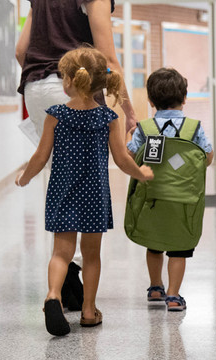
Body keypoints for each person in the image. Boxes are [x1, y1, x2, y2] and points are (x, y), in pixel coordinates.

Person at [15, 0, 138, 310]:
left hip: (37, 87)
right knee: (88, 177)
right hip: (77, 85)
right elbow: (107, 57)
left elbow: (21, 50)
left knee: (60, 172)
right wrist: (128, 108)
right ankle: (73, 280)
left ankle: (62, 272)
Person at [15, 47, 154, 336]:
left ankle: (54, 295)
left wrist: (24, 178)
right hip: (94, 196)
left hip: (63, 192)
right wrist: (141, 173)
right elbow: (121, 159)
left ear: (68, 81)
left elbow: (40, 157)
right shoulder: (108, 118)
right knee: (91, 256)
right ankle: (89, 312)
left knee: (61, 253)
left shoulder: (55, 115)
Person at [126, 68, 214, 312]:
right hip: (184, 199)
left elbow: (130, 158)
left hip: (151, 198)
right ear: (184, 98)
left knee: (154, 243)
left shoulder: (144, 129)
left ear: (151, 101)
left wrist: (129, 137)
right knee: (179, 248)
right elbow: (207, 158)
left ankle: (156, 287)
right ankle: (174, 296)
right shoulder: (194, 128)